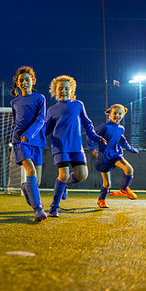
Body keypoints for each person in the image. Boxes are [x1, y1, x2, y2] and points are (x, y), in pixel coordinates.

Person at [45, 75, 107, 217]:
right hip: (59, 147)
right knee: (63, 174)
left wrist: (95, 137)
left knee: (82, 175)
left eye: (67, 88)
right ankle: (54, 206)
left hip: (76, 147)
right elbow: (46, 130)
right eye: (60, 88)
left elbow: (87, 124)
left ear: (71, 90)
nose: (63, 91)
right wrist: (35, 139)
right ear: (55, 90)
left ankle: (64, 184)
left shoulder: (78, 105)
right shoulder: (52, 110)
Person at [10, 66, 47, 222]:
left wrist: (30, 134)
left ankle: (26, 187)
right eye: (21, 80)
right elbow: (16, 121)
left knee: (36, 181)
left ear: (33, 81)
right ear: (17, 84)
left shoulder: (40, 98)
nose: (24, 82)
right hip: (20, 141)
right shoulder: (14, 101)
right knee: (30, 170)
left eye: (27, 79)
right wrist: (22, 136)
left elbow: (41, 119)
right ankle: (38, 210)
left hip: (36, 141)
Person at [88, 104, 138, 208]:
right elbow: (90, 136)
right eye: (115, 113)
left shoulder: (121, 128)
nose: (117, 116)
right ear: (110, 114)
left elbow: (123, 141)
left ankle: (124, 189)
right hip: (104, 158)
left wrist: (130, 149)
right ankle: (101, 200)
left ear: (123, 115)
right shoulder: (104, 127)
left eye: (120, 114)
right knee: (107, 184)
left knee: (129, 169)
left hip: (116, 155)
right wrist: (92, 149)